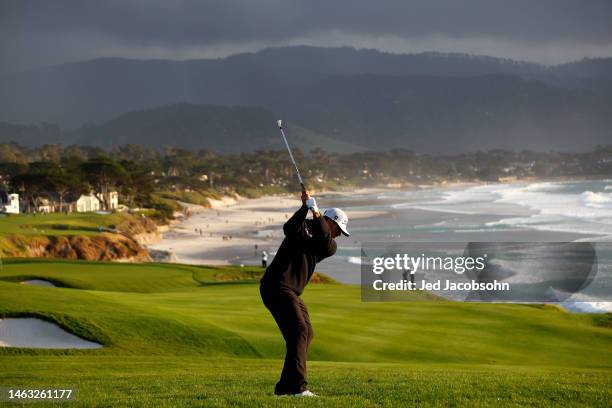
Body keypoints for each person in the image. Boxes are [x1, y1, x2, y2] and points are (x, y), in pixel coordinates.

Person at [259, 189, 349, 397]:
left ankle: (284, 388)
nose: (338, 235)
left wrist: (315, 212)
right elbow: (289, 227)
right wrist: (304, 207)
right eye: (338, 229)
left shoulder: (329, 245)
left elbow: (325, 239)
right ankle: (298, 388)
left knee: (306, 333)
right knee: (299, 331)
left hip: (291, 291)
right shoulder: (303, 227)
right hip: (276, 286)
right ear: (330, 221)